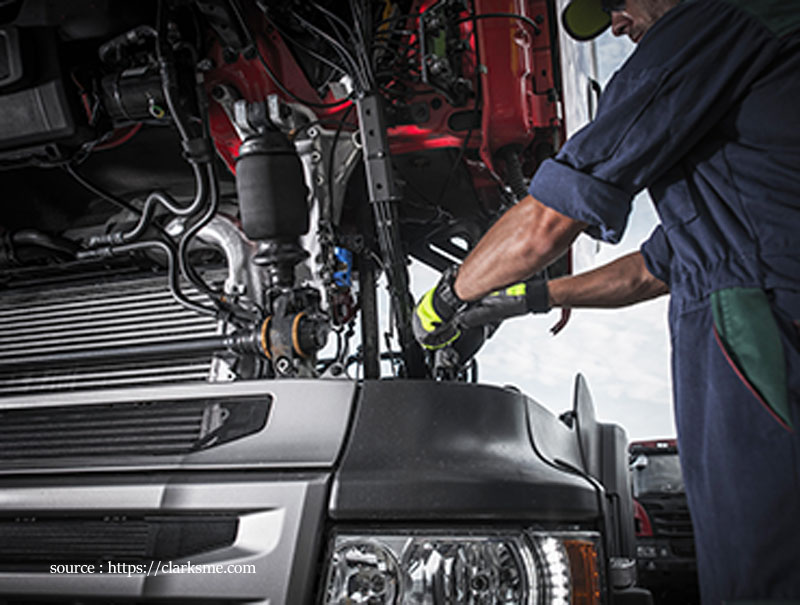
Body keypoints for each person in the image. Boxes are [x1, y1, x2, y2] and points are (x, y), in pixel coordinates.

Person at [413, 0, 800, 602]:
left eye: (617, 3)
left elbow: (546, 223)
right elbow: (652, 269)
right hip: (754, 316)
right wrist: (533, 297)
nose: (616, 24)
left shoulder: (716, 24)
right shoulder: (739, 135)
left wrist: (442, 301)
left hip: (765, 331)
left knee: (767, 569)